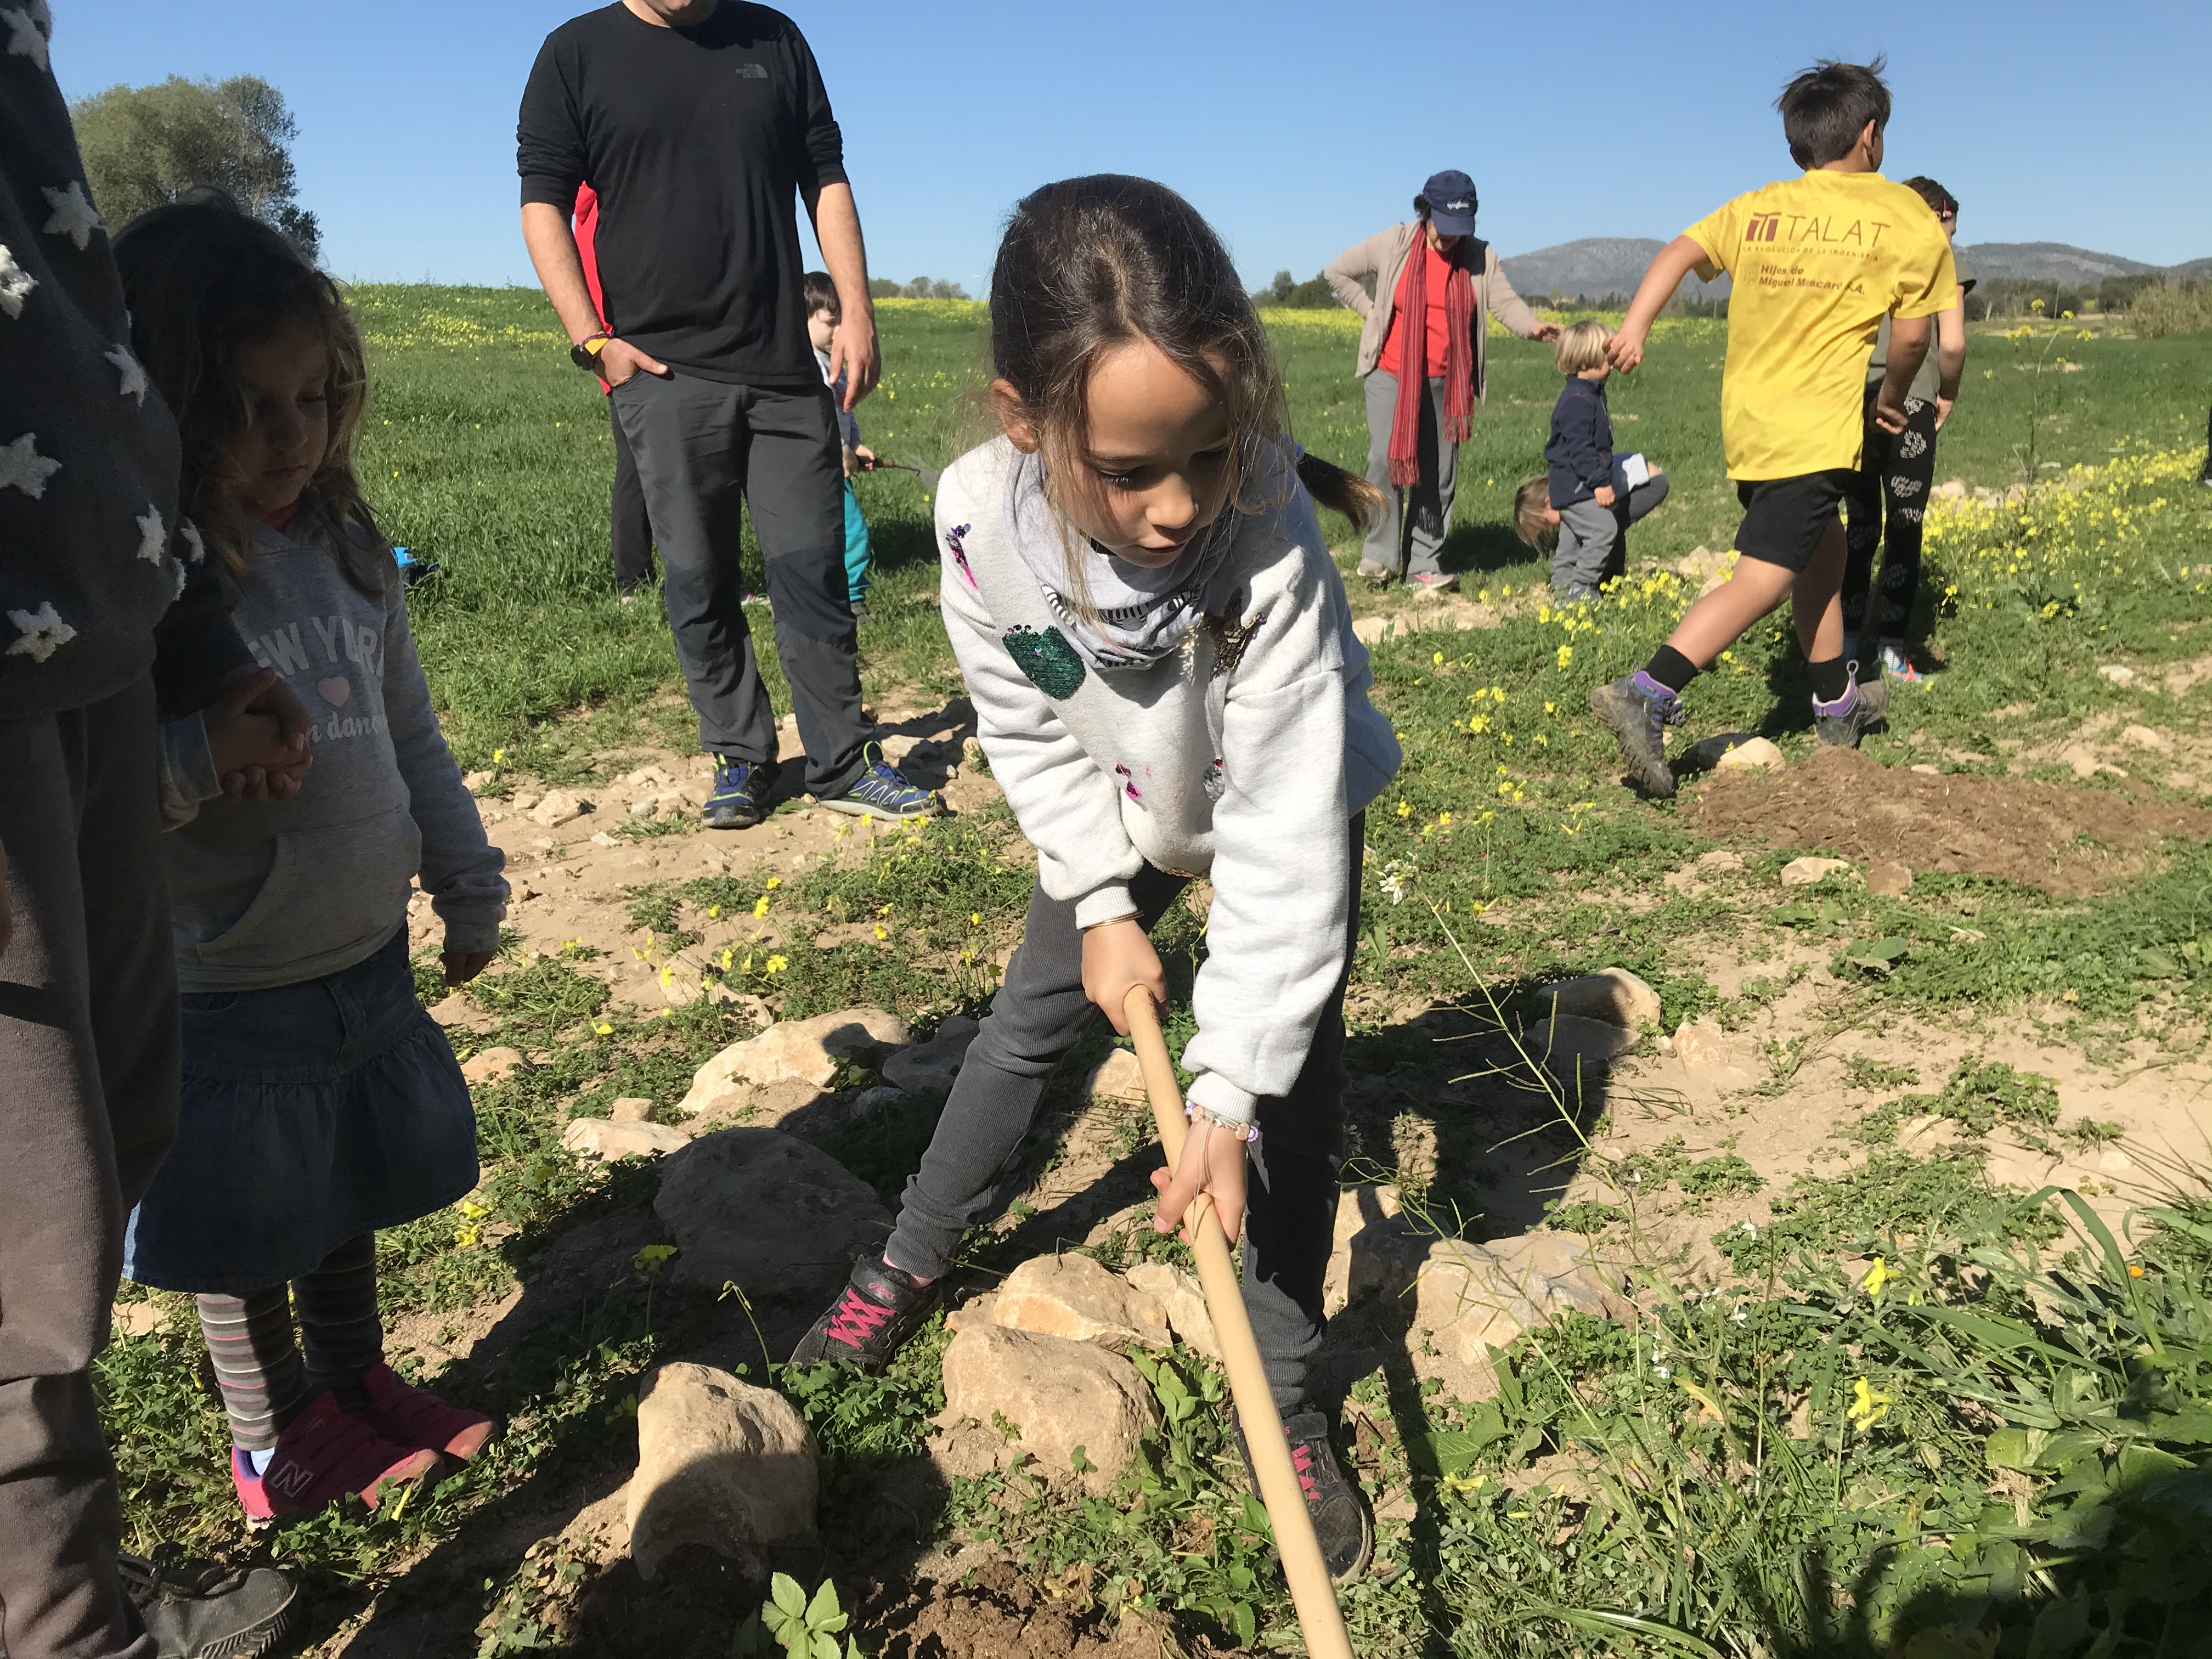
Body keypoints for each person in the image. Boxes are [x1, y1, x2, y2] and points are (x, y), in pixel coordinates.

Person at [789, 175, 1402, 1585]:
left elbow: (1286, 833)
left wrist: (1226, 1089)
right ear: (1024, 420)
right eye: (1130, 473)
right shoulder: (975, 523)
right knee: (1028, 1026)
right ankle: (908, 1258)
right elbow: (1026, 722)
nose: (1178, 505)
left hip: (1269, 809)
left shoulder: (1265, 545)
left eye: (1207, 452)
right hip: (1116, 803)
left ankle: (1285, 1390)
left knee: (1296, 1097)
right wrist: (1104, 904)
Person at [112, 200, 508, 1523]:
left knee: (339, 1184)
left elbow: (409, 731)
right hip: (228, 978)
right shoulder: (151, 593)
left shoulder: (348, 552)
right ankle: (271, 1436)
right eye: (248, 405)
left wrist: (465, 876)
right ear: (162, 400)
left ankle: (355, 1380)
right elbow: (92, 801)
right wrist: (196, 756)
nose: (293, 437)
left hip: (360, 950)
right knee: (243, 1218)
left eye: (316, 398)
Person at [2, 21, 305, 1657]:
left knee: (93, 1142)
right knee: (22, 1210)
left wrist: (182, 635)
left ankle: (70, 1596)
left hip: (83, 618)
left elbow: (61, 316)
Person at [517, 0, 935, 828]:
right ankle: (741, 757)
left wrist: (858, 310)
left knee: (812, 568)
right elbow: (543, 205)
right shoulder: (574, 54)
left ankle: (842, 762)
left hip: (783, 369)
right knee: (698, 574)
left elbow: (827, 178)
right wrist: (594, 341)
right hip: (662, 371)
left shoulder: (773, 38)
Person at [1589, 59, 1956, 798]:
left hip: (1752, 423)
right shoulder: (1904, 215)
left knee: (1820, 552)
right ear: (1872, 136)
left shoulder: (1759, 208)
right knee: (1767, 573)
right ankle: (1647, 694)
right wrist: (1893, 395)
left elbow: (1679, 252)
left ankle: (1835, 703)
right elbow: (1916, 339)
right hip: (1818, 426)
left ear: (1799, 149)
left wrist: (1636, 327)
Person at [1323, 171, 1559, 595]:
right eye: (1443, 228)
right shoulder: (1393, 243)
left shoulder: (1479, 257)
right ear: (1425, 212)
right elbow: (1337, 272)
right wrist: (1371, 312)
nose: (1450, 238)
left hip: (1447, 383)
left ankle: (1424, 564)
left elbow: (1503, 300)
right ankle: (1379, 555)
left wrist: (1532, 326)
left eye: (1459, 230)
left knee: (1438, 474)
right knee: (1385, 461)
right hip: (1391, 373)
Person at [1841, 175, 1974, 681]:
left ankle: (1849, 641)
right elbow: (1953, 345)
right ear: (1937, 215)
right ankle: (1893, 651)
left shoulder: (1865, 256)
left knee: (1859, 525)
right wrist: (1948, 394)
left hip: (1855, 399)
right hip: (1913, 399)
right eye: (1951, 230)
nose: (1950, 242)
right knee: (1904, 526)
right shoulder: (1939, 263)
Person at [1542, 320, 1671, 600]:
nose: (1613, 363)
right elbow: (1581, 449)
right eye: (1607, 358)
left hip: (1568, 486)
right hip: (1579, 487)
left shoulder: (1588, 393)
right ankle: (1583, 587)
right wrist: (1599, 483)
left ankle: (1561, 588)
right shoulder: (1578, 400)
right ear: (1587, 361)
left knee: (1573, 538)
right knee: (1603, 529)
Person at [573, 183, 656, 598]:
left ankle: (636, 582)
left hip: (614, 348)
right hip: (626, 347)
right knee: (638, 466)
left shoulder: (588, 210)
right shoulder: (608, 204)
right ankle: (633, 583)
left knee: (638, 465)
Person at [802, 270, 875, 616]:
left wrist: (856, 445)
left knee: (841, 529)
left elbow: (846, 411)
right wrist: (841, 450)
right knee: (850, 530)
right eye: (831, 323)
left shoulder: (833, 362)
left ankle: (844, 592)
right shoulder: (806, 365)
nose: (837, 332)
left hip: (840, 460)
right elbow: (818, 417)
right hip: (821, 462)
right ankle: (850, 594)